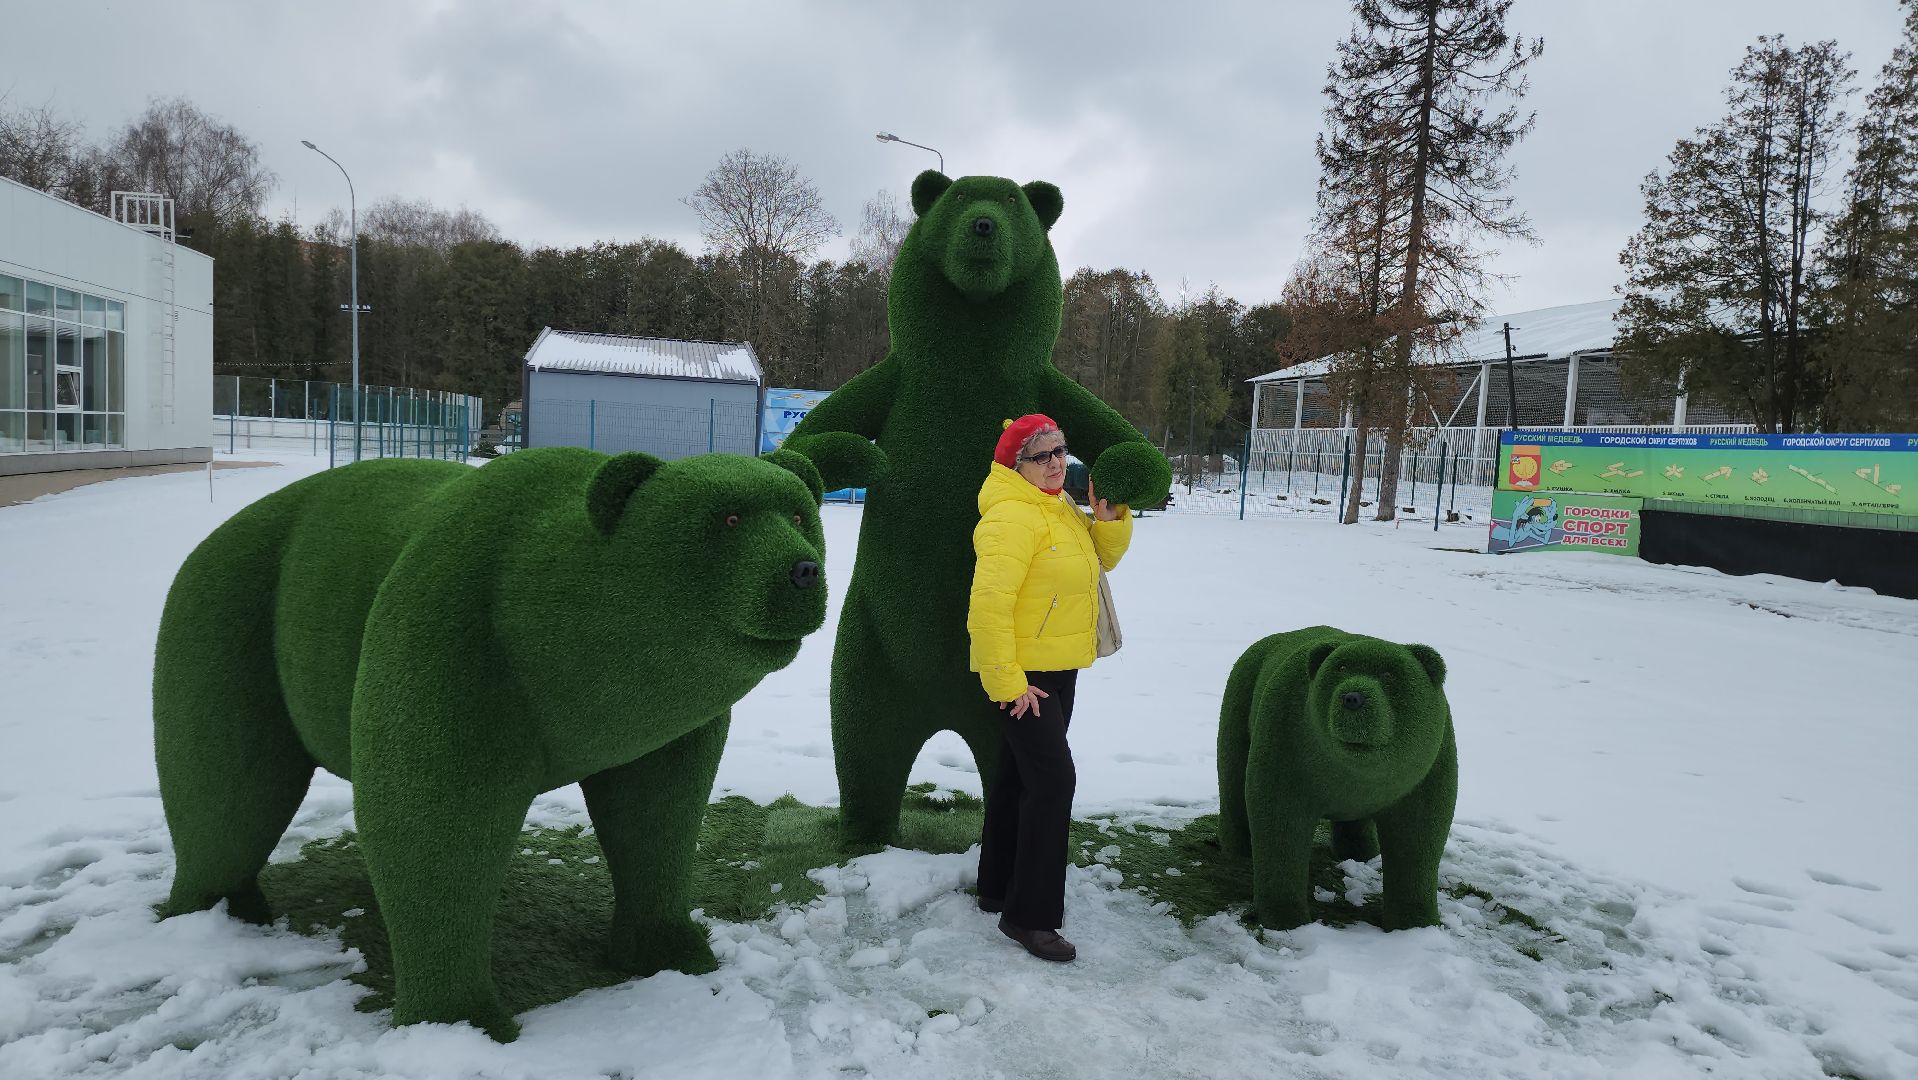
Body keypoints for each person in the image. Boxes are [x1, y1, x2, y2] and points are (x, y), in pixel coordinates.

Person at [966, 413, 1132, 962]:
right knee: (1055, 783)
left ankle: (996, 887)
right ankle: (1029, 916)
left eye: (1061, 451)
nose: (1058, 463)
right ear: (1018, 465)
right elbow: (988, 609)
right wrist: (1009, 684)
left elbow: (1099, 561)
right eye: (1043, 456)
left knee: (1020, 779)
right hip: (1026, 678)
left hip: (1059, 668)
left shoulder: (1057, 506)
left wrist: (1105, 519)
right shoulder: (1012, 517)